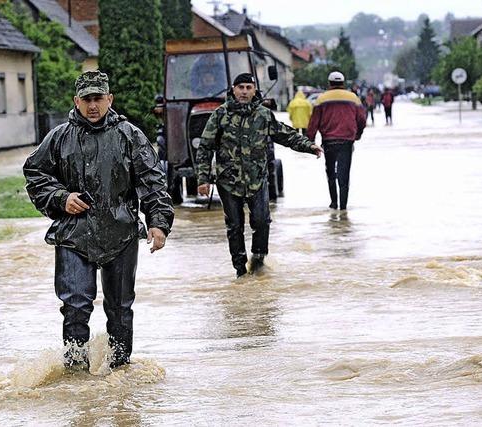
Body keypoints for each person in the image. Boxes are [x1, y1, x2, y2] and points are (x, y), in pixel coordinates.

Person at [23, 70, 174, 370]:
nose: (93, 106)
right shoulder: (59, 137)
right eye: (87, 99)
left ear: (109, 99)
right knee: (76, 307)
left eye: (99, 99)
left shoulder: (129, 136)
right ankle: (76, 376)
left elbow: (153, 182)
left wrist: (158, 222)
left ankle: (120, 374)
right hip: (73, 235)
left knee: (120, 309)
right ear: (76, 101)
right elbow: (35, 174)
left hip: (121, 233)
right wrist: (60, 198)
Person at [195, 73, 323, 277]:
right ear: (233, 90)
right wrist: (203, 179)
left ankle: (259, 259)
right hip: (228, 181)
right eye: (241, 88)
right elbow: (205, 147)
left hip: (257, 179)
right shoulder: (221, 114)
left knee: (262, 221)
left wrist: (309, 146)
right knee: (234, 227)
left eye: (248, 87)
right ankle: (240, 271)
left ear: (254, 90)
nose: (244, 92)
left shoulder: (263, 115)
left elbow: (285, 134)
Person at [307, 71, 366, 211]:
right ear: (343, 83)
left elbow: (313, 122)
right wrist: (357, 134)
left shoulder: (321, 99)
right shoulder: (353, 98)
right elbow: (362, 120)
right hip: (347, 141)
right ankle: (343, 207)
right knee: (344, 175)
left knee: (331, 173)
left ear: (329, 83)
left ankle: (334, 203)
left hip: (329, 141)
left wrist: (310, 142)